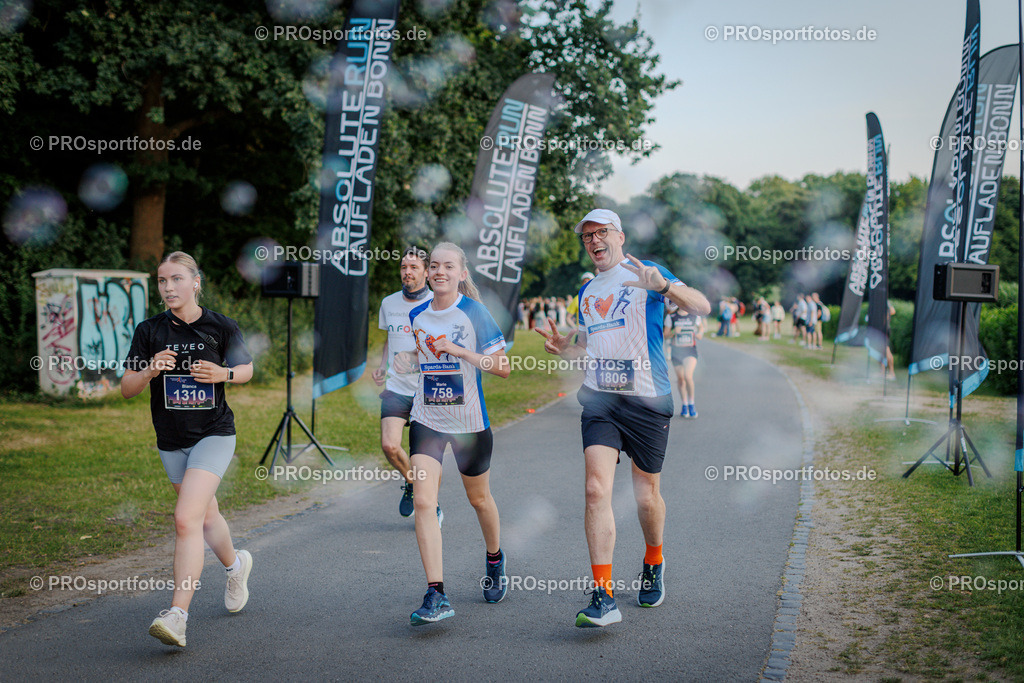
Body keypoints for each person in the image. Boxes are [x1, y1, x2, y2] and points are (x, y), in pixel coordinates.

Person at [538, 209, 711, 628]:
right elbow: (593, 341)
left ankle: (654, 559)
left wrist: (666, 286)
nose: (594, 241)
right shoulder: (588, 290)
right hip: (601, 401)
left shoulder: (647, 272)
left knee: (645, 496)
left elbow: (702, 306)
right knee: (596, 490)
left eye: (601, 233)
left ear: (620, 236)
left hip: (648, 401)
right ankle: (603, 596)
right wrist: (568, 346)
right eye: (587, 237)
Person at [121, 251, 254, 648]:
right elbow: (127, 388)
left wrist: (223, 373)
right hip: (171, 440)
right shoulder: (150, 331)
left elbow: (247, 369)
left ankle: (177, 615)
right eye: (162, 281)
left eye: (176, 279)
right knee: (205, 515)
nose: (168, 287)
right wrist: (149, 370)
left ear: (196, 281)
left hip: (214, 433)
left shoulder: (220, 327)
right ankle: (235, 565)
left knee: (185, 519)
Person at [407, 242, 512, 625]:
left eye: (448, 266)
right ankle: (436, 593)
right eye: (433, 266)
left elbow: (502, 367)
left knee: (480, 499)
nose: (439, 272)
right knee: (423, 502)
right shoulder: (417, 315)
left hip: (469, 425)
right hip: (427, 420)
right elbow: (420, 363)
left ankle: (495, 558)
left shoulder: (474, 312)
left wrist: (460, 351)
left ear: (461, 273)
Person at [371, 247, 442, 525]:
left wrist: (415, 363)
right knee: (389, 446)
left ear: (426, 272)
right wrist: (381, 365)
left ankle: (431, 504)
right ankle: (412, 484)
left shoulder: (438, 305)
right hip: (396, 387)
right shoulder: (389, 303)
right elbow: (390, 338)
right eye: (403, 267)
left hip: (430, 389)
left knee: (428, 457)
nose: (407, 272)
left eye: (413, 267)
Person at [665, 306, 704, 418]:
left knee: (688, 376)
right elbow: (665, 335)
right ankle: (684, 404)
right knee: (681, 379)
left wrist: (700, 333)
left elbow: (701, 328)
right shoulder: (671, 316)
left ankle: (691, 404)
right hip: (676, 352)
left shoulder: (694, 316)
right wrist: (673, 332)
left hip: (690, 351)